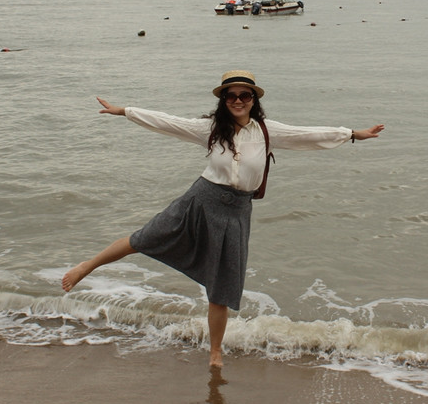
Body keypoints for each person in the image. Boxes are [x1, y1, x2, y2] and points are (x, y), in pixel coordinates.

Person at [62, 70, 385, 367]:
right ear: (223, 100)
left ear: (254, 100)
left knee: (223, 286)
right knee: (144, 239)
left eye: (245, 96)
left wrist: (354, 134)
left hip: (237, 212)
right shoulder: (210, 129)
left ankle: (215, 352)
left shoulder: (266, 131)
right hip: (200, 200)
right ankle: (85, 267)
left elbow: (309, 135)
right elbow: (167, 122)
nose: (238, 101)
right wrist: (124, 111)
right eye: (231, 96)